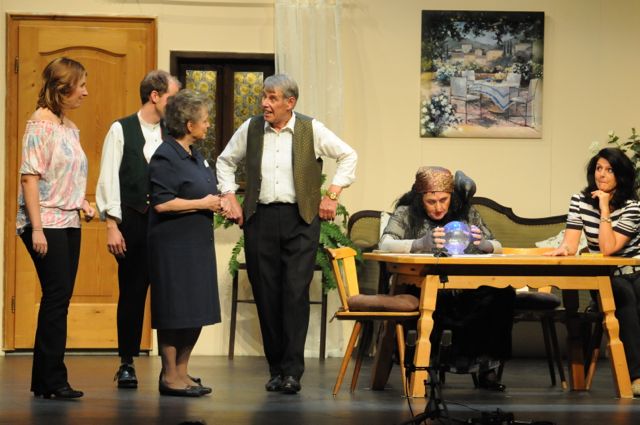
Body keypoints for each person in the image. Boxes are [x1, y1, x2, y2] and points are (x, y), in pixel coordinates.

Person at [216, 74, 357, 394]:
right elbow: (225, 162)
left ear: (290, 102)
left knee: (294, 293)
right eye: (264, 97)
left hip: (300, 220)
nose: (265, 103)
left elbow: (348, 155)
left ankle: (292, 371)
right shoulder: (251, 128)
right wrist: (229, 195)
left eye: (272, 98)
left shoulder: (310, 129)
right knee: (266, 295)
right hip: (260, 219)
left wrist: (332, 194)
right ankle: (276, 369)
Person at [379, 166, 514, 391]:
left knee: (501, 294)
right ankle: (426, 366)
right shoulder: (406, 213)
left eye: (444, 200)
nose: (439, 207)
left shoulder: (466, 212)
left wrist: (485, 245)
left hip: (465, 287)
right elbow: (385, 244)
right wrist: (419, 244)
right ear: (420, 199)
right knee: (429, 301)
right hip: (422, 283)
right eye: (431, 202)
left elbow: (498, 246)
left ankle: (485, 367)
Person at [16, 57, 95, 399]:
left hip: (68, 219)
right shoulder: (40, 125)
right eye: (81, 86)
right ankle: (52, 380)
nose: (86, 93)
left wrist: (81, 202)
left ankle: (46, 381)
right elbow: (30, 178)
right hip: (45, 221)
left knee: (59, 298)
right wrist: (36, 228)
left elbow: (64, 175)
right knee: (56, 297)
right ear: (62, 89)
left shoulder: (68, 127)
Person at [95, 70, 180, 388]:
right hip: (134, 220)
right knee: (131, 293)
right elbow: (108, 178)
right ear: (155, 96)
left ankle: (171, 366)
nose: (176, 105)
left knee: (168, 295)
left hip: (166, 224)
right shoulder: (122, 129)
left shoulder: (172, 132)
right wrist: (111, 224)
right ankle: (127, 362)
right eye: (172, 97)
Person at [148, 89, 224, 397]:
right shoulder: (165, 155)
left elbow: (206, 190)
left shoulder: (196, 155)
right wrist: (203, 203)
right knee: (175, 310)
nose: (208, 124)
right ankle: (170, 375)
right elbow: (162, 203)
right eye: (204, 120)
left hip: (197, 244)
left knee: (196, 309)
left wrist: (218, 203)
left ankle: (182, 371)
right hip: (173, 246)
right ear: (189, 124)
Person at [547, 147, 640, 397]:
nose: (602, 174)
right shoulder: (580, 200)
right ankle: (636, 376)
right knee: (624, 295)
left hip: (635, 272)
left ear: (620, 175)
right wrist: (565, 249)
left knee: (633, 291)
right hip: (605, 278)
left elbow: (610, 246)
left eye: (609, 170)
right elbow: (578, 243)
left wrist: (605, 208)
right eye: (599, 168)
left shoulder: (632, 207)